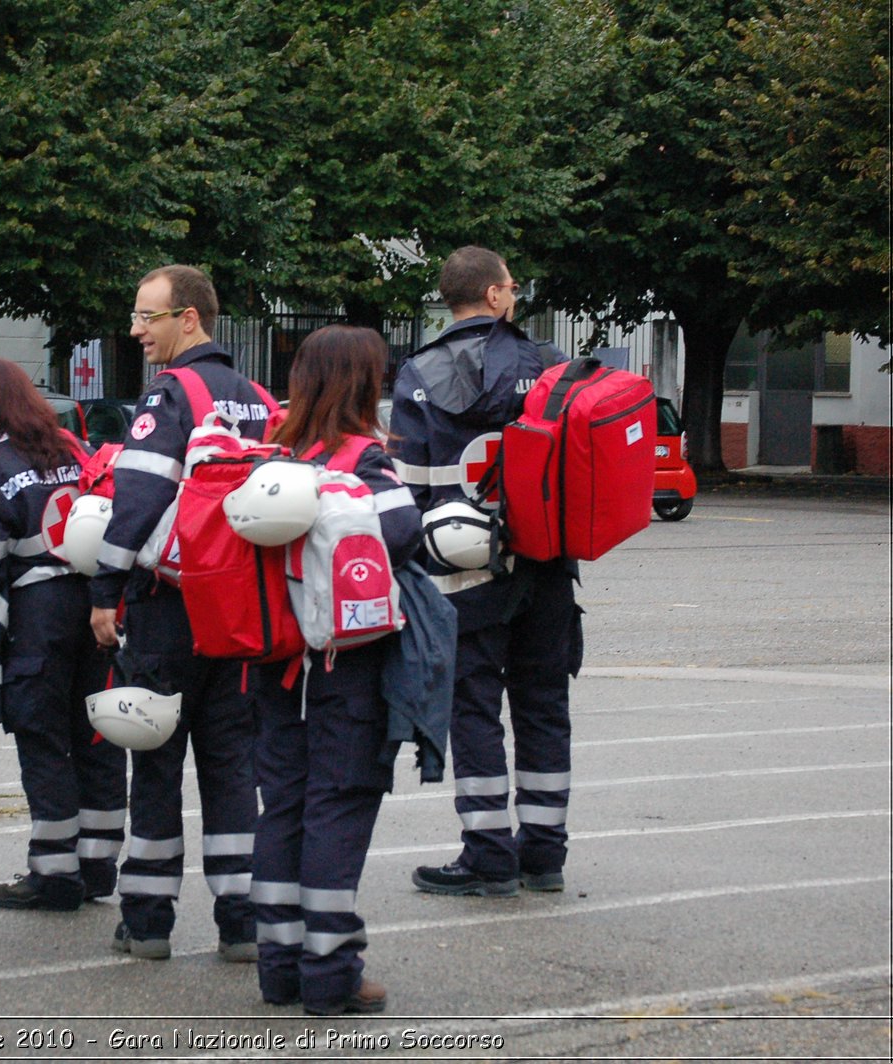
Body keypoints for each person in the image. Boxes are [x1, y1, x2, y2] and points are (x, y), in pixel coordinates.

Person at [87, 264, 273, 962]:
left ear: (187, 317)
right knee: (233, 765)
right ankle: (243, 919)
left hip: (169, 608)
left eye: (147, 317)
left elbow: (135, 495)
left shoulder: (171, 394)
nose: (136, 332)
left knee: (156, 760)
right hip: (239, 613)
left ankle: (147, 920)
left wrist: (106, 588)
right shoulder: (258, 397)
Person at [388, 245, 580, 897]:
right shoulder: (550, 365)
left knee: (472, 712)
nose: (516, 294)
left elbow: (408, 485)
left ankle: (488, 853)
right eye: (511, 286)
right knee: (544, 706)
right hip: (549, 566)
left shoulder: (417, 372)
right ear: (494, 296)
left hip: (463, 575)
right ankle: (546, 853)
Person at [250, 326, 422, 1015]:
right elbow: (406, 537)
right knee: (338, 808)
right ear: (363, 383)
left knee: (283, 808)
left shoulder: (271, 455)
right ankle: (331, 974)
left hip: (273, 665)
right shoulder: (364, 460)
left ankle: (279, 966)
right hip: (345, 666)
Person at [0, 358, 126, 911]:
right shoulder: (71, 448)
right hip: (96, 603)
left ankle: (54, 873)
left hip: (36, 613)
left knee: (43, 734)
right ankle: (98, 867)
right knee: (97, 733)